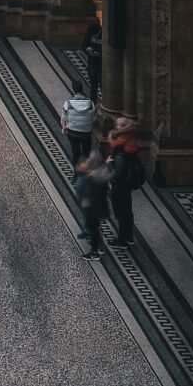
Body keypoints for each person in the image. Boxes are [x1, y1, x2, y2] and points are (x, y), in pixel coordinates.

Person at [106, 117, 144, 247]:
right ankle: (129, 237)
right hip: (126, 186)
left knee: (121, 213)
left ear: (123, 128)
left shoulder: (121, 152)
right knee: (127, 212)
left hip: (120, 187)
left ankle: (122, 240)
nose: (115, 127)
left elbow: (119, 175)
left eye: (118, 125)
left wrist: (108, 167)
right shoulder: (130, 140)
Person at [74, 153, 113, 260]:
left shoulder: (92, 177)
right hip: (95, 207)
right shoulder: (96, 174)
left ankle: (94, 252)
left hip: (93, 208)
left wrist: (86, 202)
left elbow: (92, 193)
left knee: (94, 229)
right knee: (94, 228)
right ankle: (98, 247)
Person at [60, 84, 97, 165]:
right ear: (82, 89)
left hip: (72, 132)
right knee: (86, 152)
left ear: (74, 90)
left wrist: (65, 127)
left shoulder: (68, 103)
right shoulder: (91, 104)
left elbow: (64, 119)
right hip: (86, 132)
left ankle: (76, 169)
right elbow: (94, 119)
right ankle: (86, 168)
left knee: (76, 152)